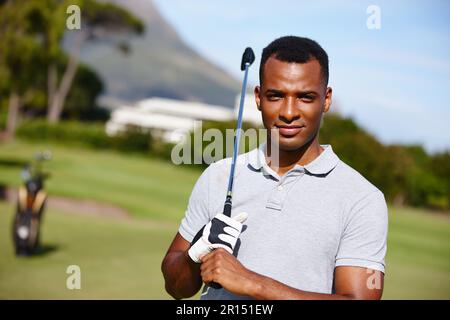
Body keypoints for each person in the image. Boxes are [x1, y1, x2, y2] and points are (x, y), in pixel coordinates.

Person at [161, 36, 388, 300]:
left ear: (326, 100)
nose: (289, 112)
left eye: (305, 97)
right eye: (276, 96)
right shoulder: (219, 175)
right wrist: (195, 254)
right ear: (258, 97)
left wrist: (254, 284)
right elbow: (175, 288)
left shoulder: (363, 199)